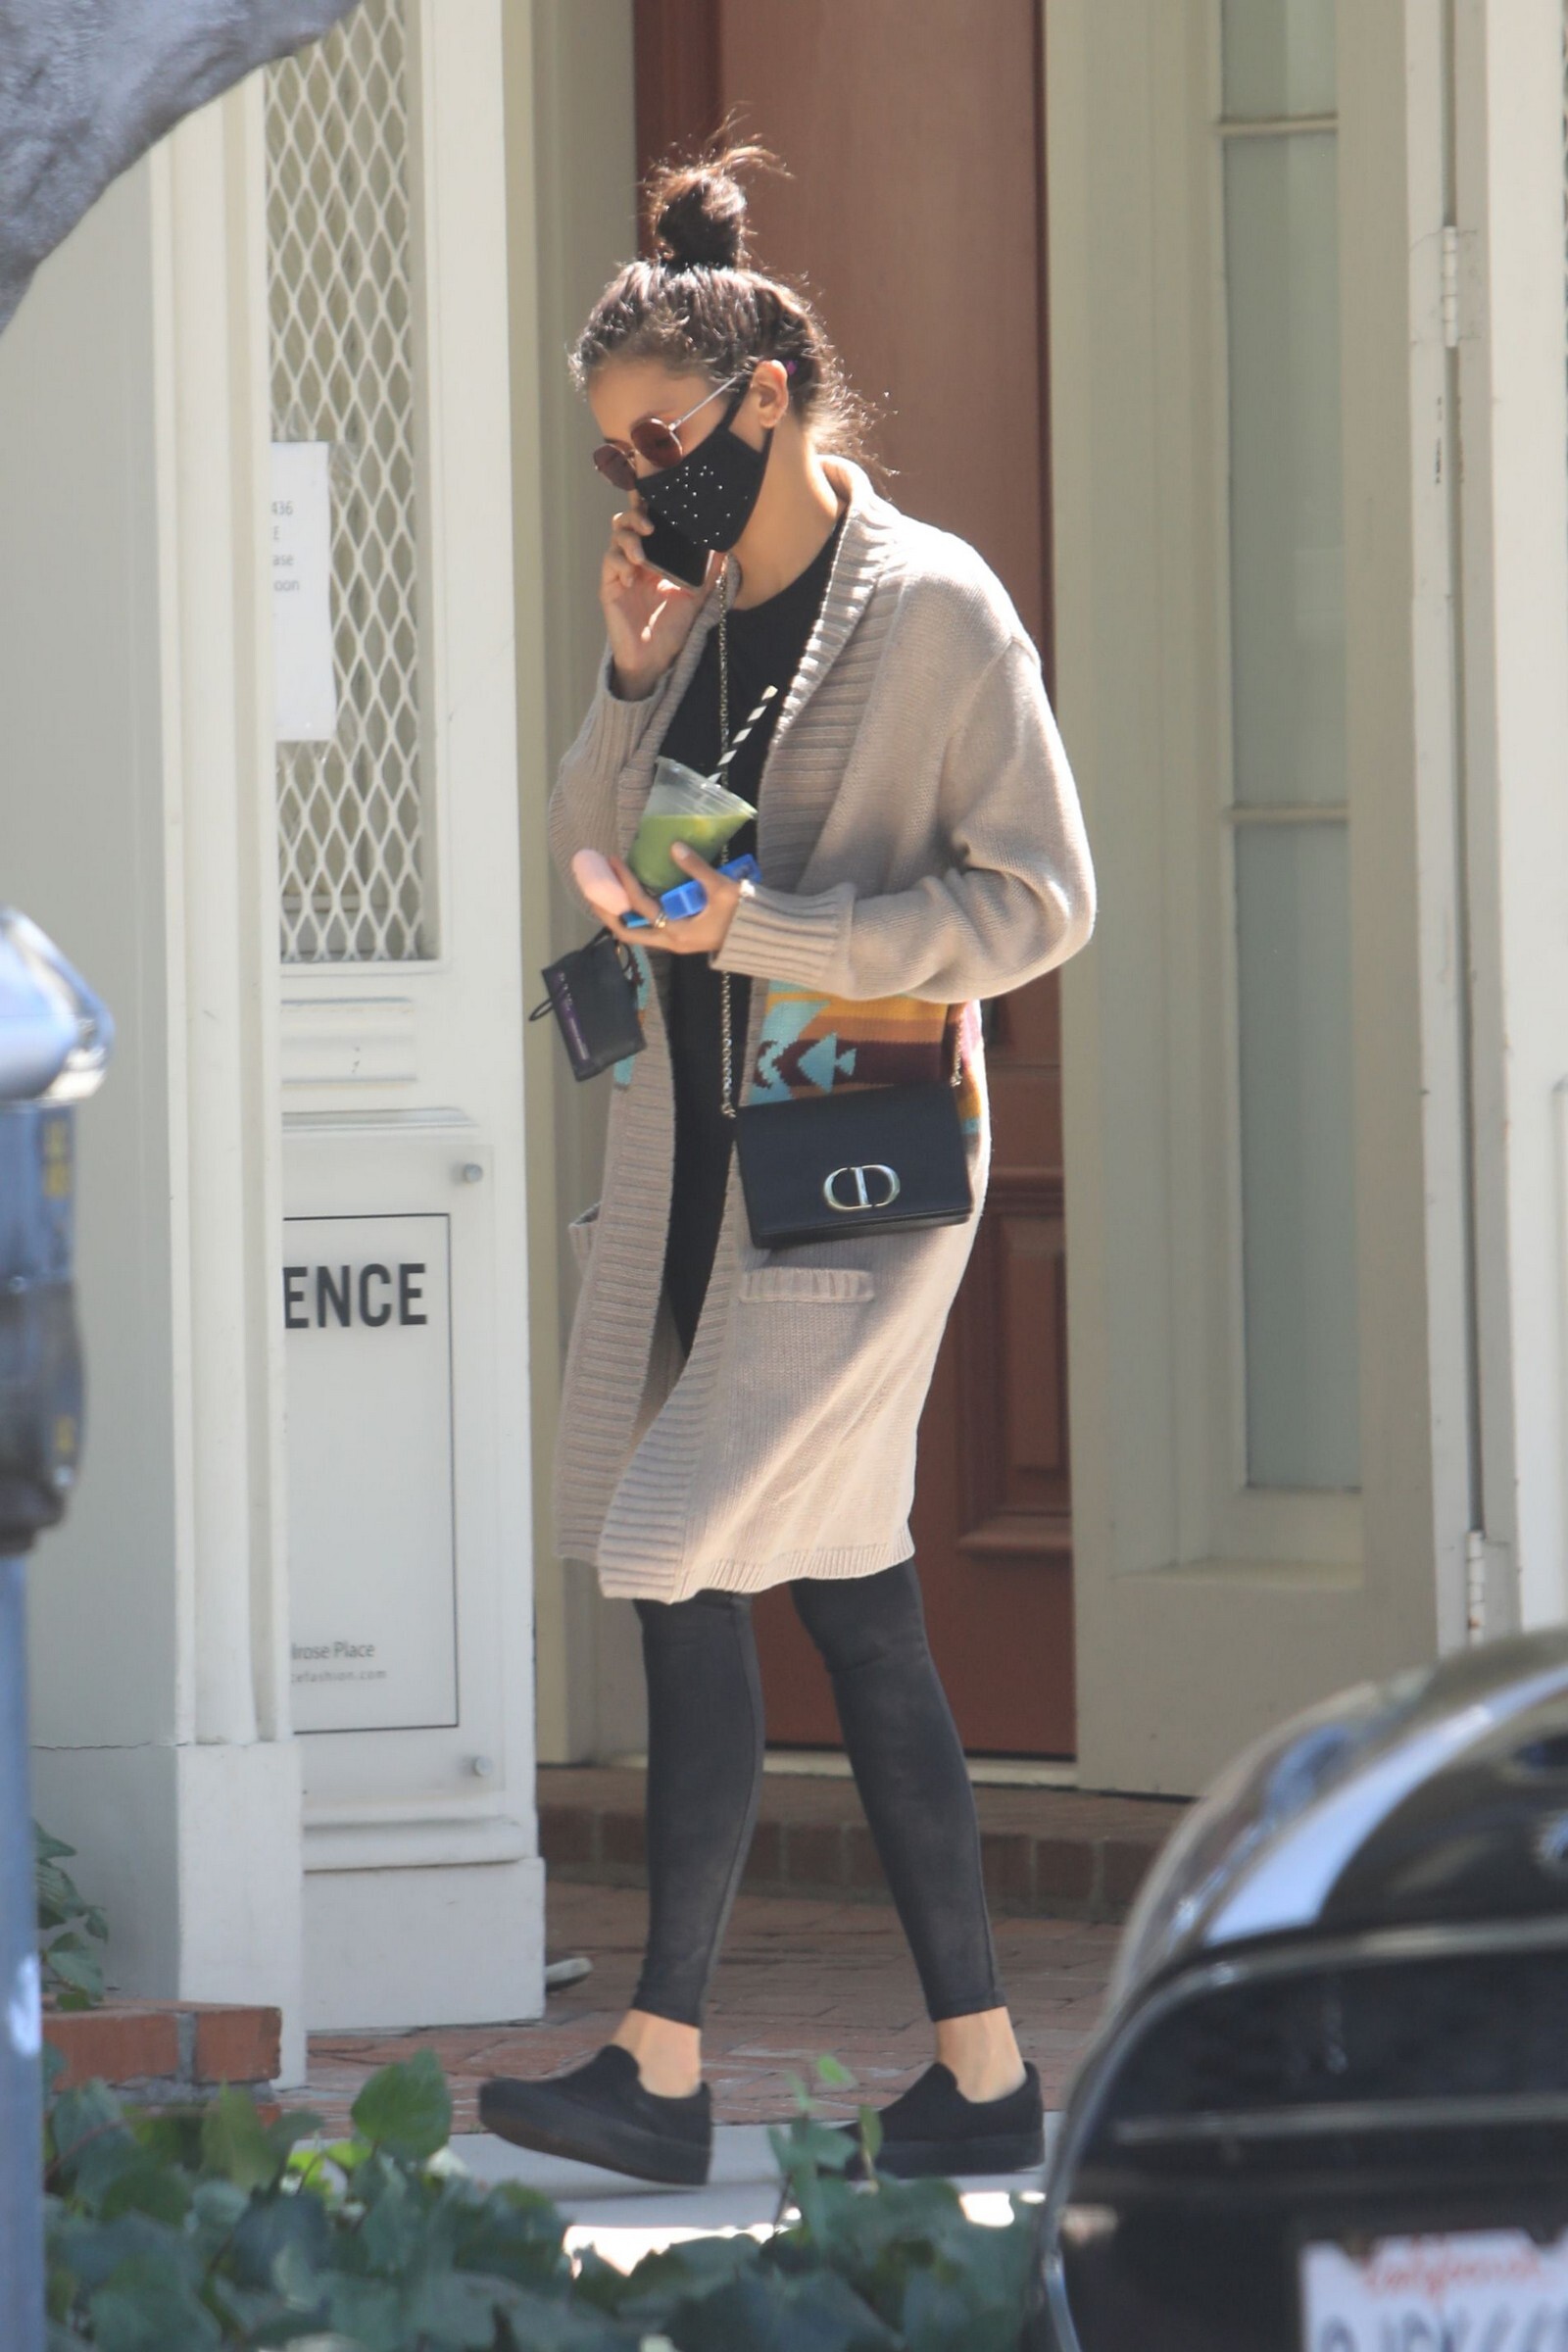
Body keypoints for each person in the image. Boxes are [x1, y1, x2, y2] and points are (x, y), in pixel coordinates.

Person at [481, 147, 1095, 2188]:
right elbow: (585, 844)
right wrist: (626, 662)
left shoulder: (933, 610)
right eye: (610, 459)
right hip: (689, 1164)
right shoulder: (698, 616)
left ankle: (659, 2069)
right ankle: (978, 2080)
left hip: (849, 1179)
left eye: (658, 442)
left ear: (764, 401)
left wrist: (777, 935)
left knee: (669, 1545)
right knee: (854, 1607)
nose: (638, 484)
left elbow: (1039, 903)